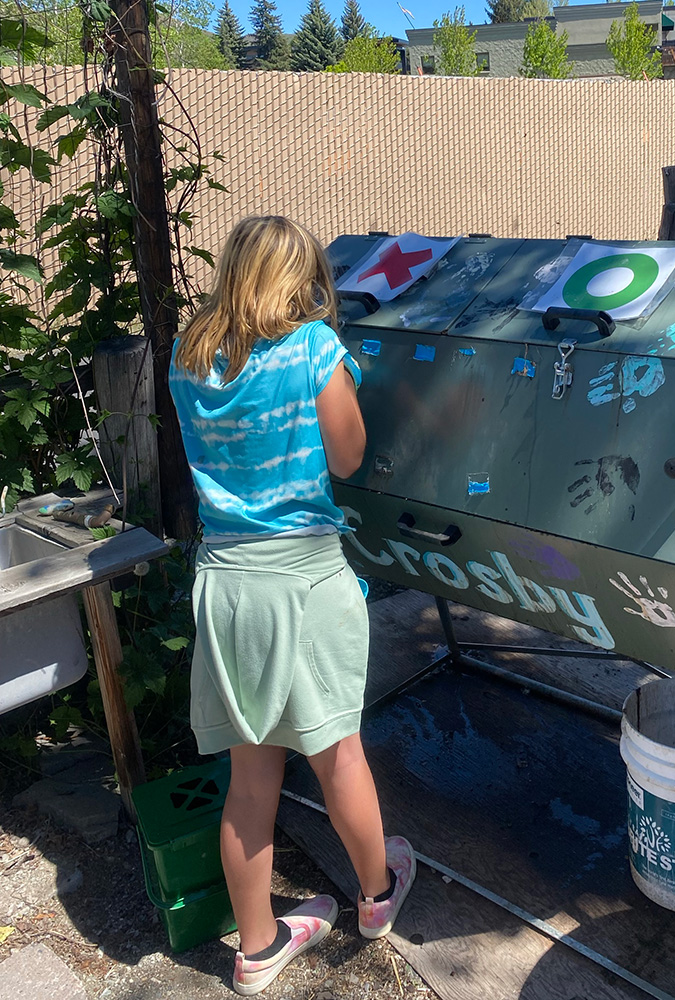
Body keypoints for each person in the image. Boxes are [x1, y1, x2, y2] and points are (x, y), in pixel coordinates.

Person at [169, 216, 414, 997]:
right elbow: (347, 456)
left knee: (250, 779)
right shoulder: (312, 348)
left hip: (226, 580)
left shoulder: (189, 356)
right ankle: (377, 896)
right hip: (303, 580)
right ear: (299, 279)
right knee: (337, 751)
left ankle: (258, 946)